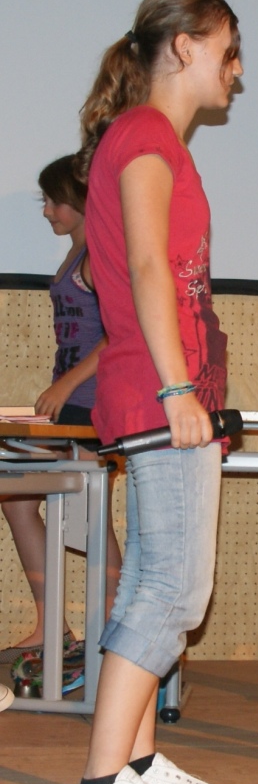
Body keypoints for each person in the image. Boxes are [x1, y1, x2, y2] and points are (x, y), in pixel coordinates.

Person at [68, 0, 243, 784]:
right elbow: (144, 266)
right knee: (176, 592)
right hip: (158, 391)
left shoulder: (150, 138)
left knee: (148, 584)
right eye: (228, 51)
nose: (236, 71)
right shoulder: (143, 135)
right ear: (184, 46)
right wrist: (178, 390)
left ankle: (134, 760)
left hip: (162, 388)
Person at [1, 155, 121, 670]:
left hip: (91, 406)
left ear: (80, 202)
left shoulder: (98, 255)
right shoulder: (77, 252)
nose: (47, 211)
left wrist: (68, 383)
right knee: (17, 500)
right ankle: (52, 626)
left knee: (88, 515)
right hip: (71, 404)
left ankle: (115, 632)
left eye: (53, 201)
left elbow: (120, 334)